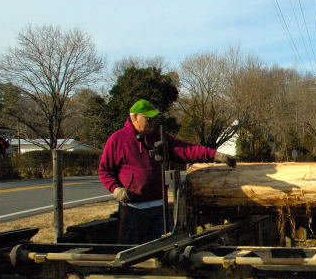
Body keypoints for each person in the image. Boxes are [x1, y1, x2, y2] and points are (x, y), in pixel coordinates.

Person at [99, 99, 236, 244]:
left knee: (163, 248)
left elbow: (186, 149)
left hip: (159, 207)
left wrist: (215, 155)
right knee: (132, 249)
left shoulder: (159, 137)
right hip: (133, 209)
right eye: (148, 118)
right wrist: (116, 189)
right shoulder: (118, 139)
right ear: (134, 117)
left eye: (154, 119)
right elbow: (105, 170)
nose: (152, 122)